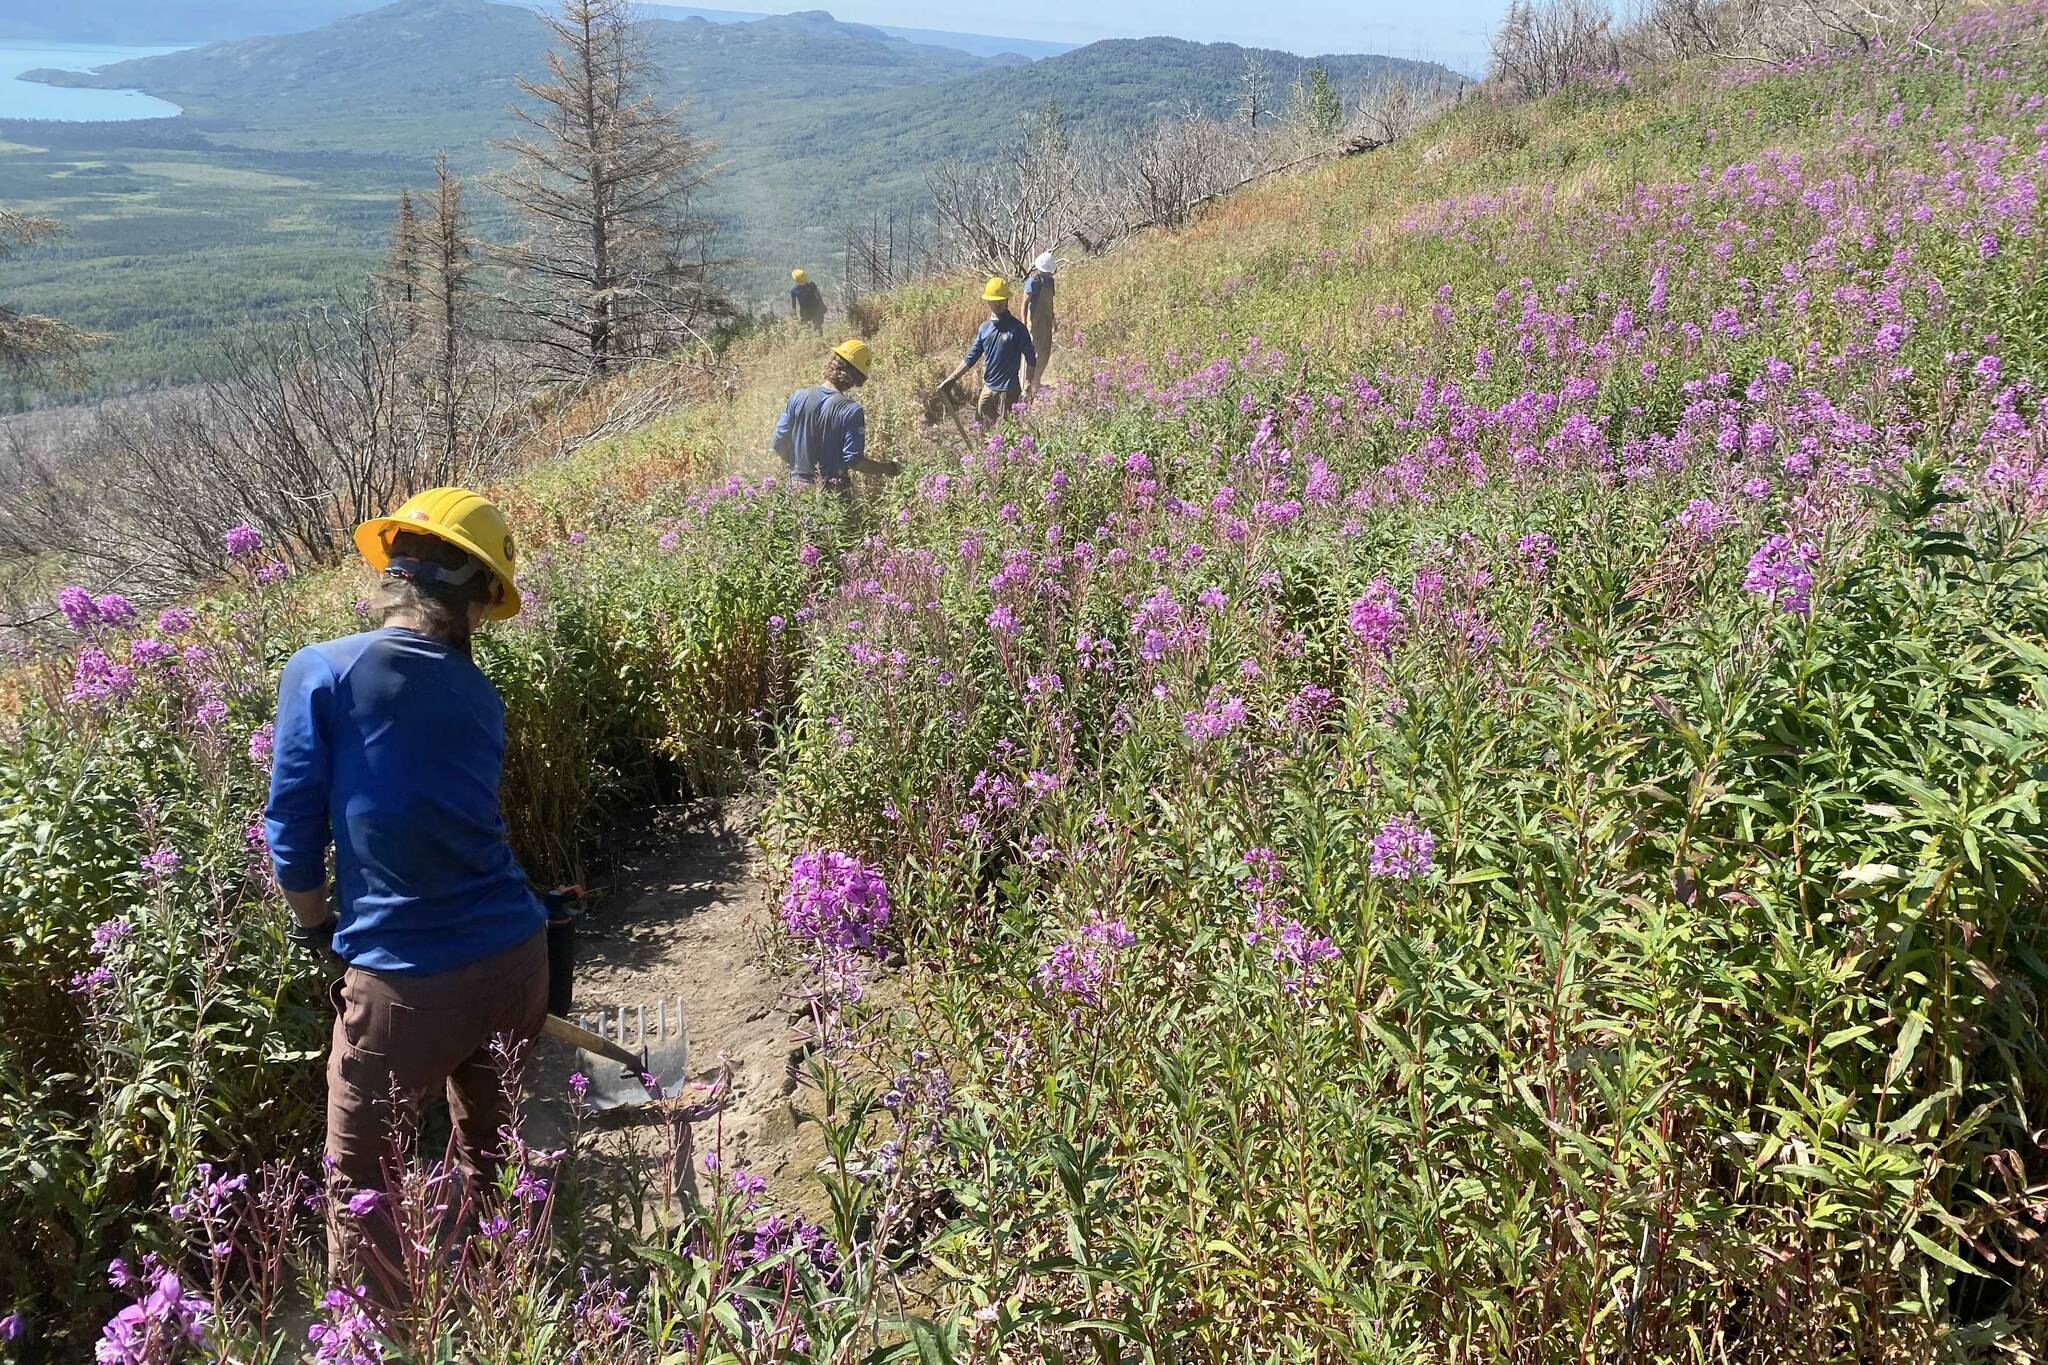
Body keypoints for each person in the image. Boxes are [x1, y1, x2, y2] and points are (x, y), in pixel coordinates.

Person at [264, 486, 547, 1292]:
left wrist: (316, 927)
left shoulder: (322, 668)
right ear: (476, 601)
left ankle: (380, 1332)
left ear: (394, 568)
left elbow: (291, 826)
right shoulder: (478, 694)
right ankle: (507, 1301)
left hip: (406, 986)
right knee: (497, 1153)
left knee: (364, 1194)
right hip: (518, 962)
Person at [772, 337, 902, 488]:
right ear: (857, 377)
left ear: (832, 363)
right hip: (832, 495)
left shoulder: (798, 397)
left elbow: (778, 442)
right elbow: (854, 460)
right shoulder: (851, 411)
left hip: (797, 490)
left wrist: (800, 470)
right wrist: (888, 468)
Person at [939, 276, 1038, 424]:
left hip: (1009, 390)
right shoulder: (984, 329)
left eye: (1001, 300)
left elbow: (1031, 357)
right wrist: (952, 379)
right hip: (988, 388)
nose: (998, 304)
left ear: (1007, 300)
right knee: (980, 428)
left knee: (1009, 432)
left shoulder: (1017, 329)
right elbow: (971, 357)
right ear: (987, 301)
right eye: (994, 300)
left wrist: (1028, 385)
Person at [1023, 250, 1057, 384]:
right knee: (1033, 354)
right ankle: (1028, 383)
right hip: (1034, 325)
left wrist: (1054, 321)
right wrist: (1024, 323)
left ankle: (1037, 380)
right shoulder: (1032, 282)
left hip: (1046, 323)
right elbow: (1024, 304)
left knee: (1045, 353)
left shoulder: (1051, 282)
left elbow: (1050, 303)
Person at [789, 268, 825, 335]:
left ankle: (820, 343)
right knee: (805, 328)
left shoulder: (811, 285)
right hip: (804, 310)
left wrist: (822, 306)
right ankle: (808, 342)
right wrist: (794, 315)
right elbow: (793, 304)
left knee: (817, 326)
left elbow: (818, 295)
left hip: (815, 309)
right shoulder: (794, 290)